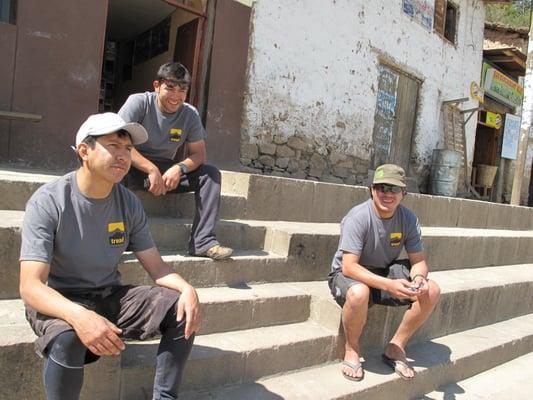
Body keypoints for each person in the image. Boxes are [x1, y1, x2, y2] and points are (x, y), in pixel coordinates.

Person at [19, 113, 201, 400]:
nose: (123, 156)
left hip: (108, 294)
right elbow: (30, 286)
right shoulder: (49, 202)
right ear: (84, 151)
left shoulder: (128, 202)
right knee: (67, 337)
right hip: (59, 299)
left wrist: (186, 288)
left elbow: (157, 267)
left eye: (128, 149)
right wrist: (80, 316)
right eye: (113, 145)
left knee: (182, 308)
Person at [327, 164, 440, 381]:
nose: (387, 193)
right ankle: (352, 349)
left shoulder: (408, 219)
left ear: (403, 194)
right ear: (372, 190)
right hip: (348, 275)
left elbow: (419, 262)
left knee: (431, 290)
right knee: (359, 293)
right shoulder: (358, 216)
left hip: (383, 271)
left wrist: (418, 278)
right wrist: (390, 285)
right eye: (382, 187)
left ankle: (396, 347)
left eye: (393, 189)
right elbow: (349, 266)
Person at [118, 61, 232, 260]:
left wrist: (178, 168)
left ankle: (202, 241)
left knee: (210, 174)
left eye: (182, 90)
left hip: (167, 170)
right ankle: (119, 238)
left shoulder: (189, 114)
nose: (176, 96)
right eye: (170, 88)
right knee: (115, 165)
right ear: (156, 86)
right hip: (133, 164)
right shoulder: (138, 103)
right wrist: (151, 169)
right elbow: (120, 144)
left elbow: (198, 154)